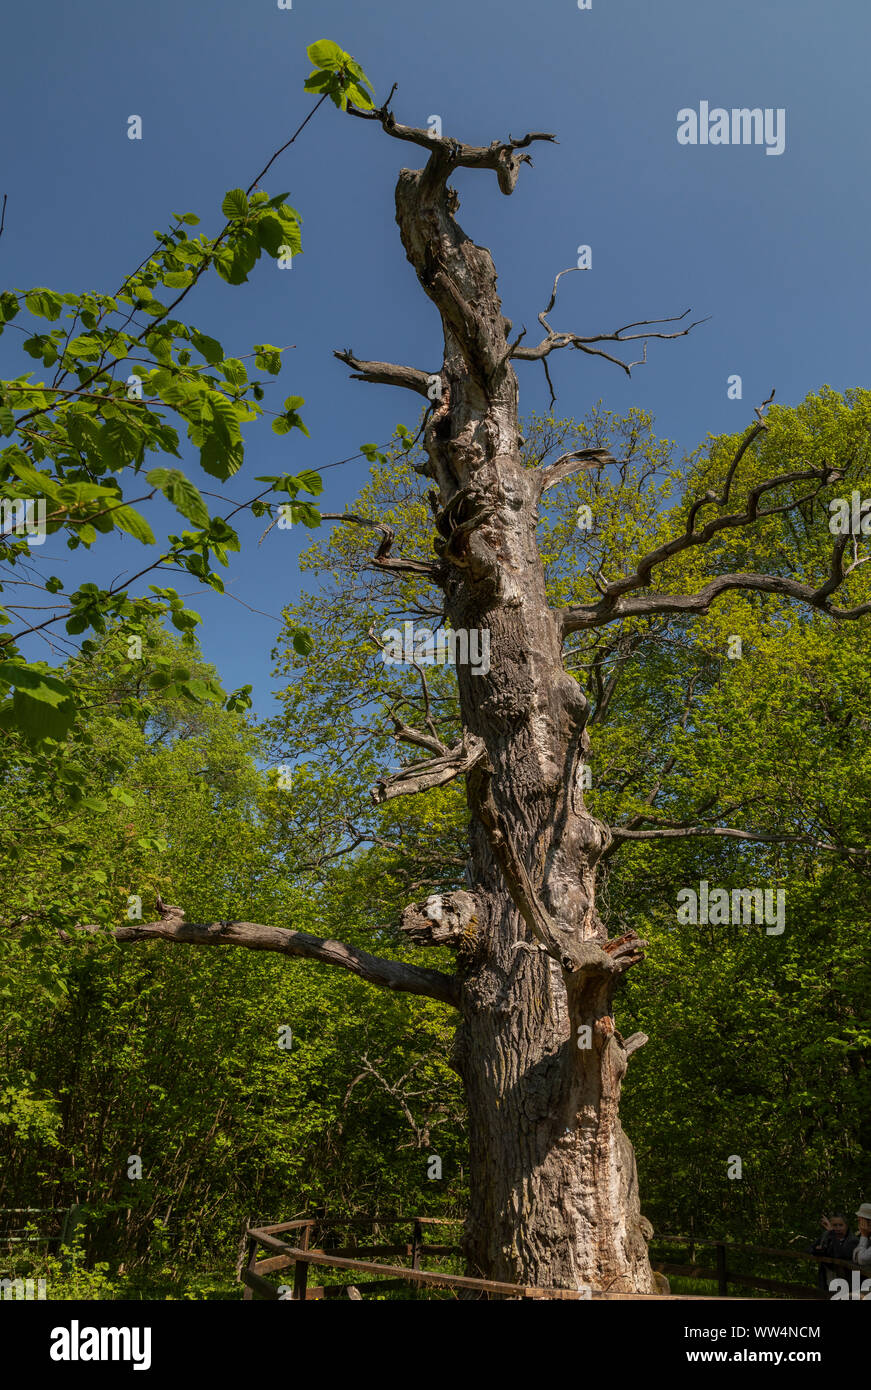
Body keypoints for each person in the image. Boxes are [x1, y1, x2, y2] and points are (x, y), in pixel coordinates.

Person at [809, 1214, 858, 1291]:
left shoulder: (853, 1240)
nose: (838, 1228)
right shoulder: (826, 1235)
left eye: (841, 1225)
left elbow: (840, 1255)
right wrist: (817, 1250)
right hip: (827, 1279)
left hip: (847, 1282)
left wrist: (832, 1233)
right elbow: (810, 1249)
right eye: (834, 1225)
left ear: (846, 1226)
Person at [854, 1204, 871, 1273]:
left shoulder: (865, 1236)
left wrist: (864, 1235)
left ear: (869, 1223)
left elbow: (862, 1259)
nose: (859, 1225)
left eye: (860, 1220)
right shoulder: (868, 1237)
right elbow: (855, 1256)